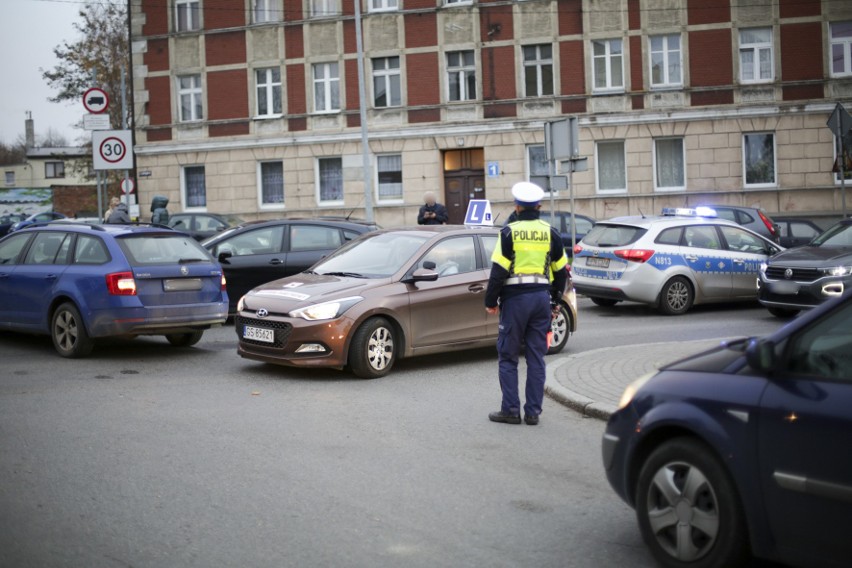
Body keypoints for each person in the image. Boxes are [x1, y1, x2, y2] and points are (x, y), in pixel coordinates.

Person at [484, 181, 569, 426]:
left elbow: (499, 271)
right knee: (536, 357)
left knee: (508, 356)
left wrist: (490, 301)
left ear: (517, 207)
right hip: (541, 299)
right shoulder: (550, 232)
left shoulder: (509, 232)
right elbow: (561, 272)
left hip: (515, 300)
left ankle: (511, 410)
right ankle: (533, 412)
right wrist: (555, 301)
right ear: (539, 206)